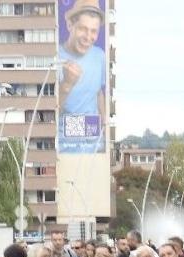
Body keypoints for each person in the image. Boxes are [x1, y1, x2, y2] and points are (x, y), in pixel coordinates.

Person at [58, 0, 106, 153]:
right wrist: (66, 84)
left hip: (95, 147)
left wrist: (104, 124)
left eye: (94, 31)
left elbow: (98, 92)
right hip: (65, 148)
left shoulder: (99, 56)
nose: (88, 37)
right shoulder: (56, 58)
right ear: (70, 25)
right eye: (83, 29)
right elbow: (49, 114)